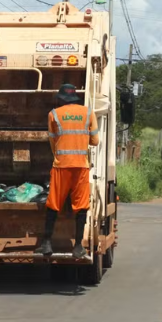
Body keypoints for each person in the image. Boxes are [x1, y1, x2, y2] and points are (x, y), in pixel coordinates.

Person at [36, 84, 99, 258]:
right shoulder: (88, 113)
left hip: (61, 166)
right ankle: (78, 246)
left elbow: (53, 142)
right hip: (81, 167)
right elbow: (95, 141)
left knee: (53, 204)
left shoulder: (54, 114)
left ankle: (47, 243)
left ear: (61, 99)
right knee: (81, 206)